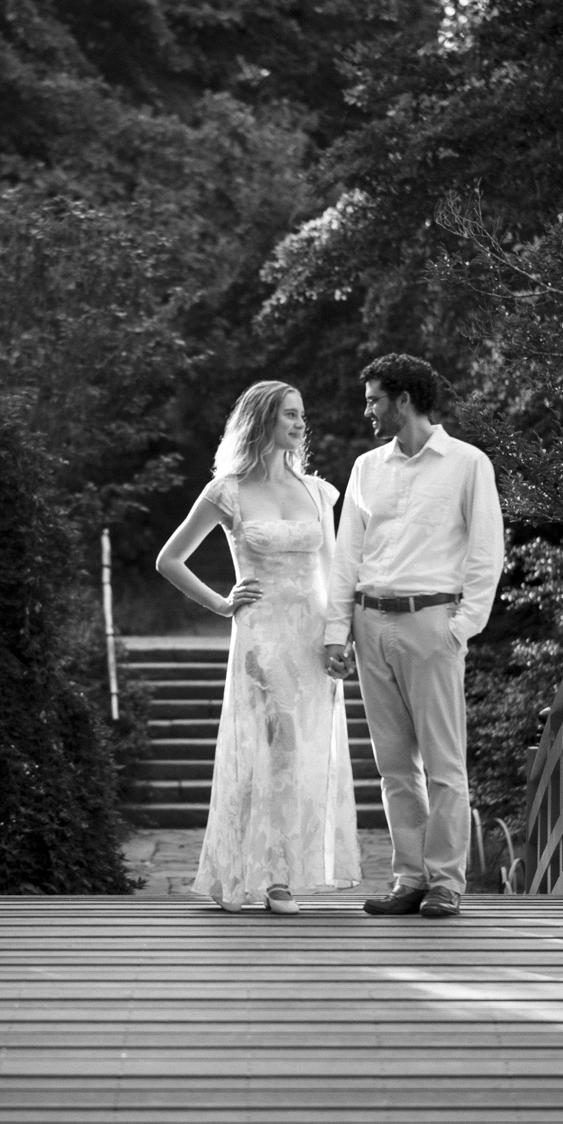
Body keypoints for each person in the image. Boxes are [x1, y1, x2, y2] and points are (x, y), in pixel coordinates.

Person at [156, 380, 361, 913]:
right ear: (262, 420)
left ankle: (281, 873)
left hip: (311, 635)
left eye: (301, 415)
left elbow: (334, 572)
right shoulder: (227, 490)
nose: (300, 424)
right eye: (289, 415)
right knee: (273, 744)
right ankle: (267, 878)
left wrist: (340, 636)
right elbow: (169, 559)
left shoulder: (319, 492)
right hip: (261, 633)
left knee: (303, 749)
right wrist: (223, 604)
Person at [322, 354, 503, 918]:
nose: (368, 409)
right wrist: (338, 630)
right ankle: (410, 879)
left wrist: (461, 627)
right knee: (395, 766)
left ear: (404, 401)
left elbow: (485, 551)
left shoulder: (467, 464)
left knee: (444, 764)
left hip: (432, 624)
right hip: (370, 622)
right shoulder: (366, 468)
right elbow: (346, 553)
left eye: (375, 398)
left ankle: (446, 882)